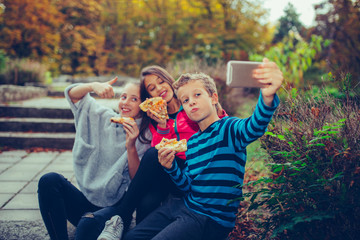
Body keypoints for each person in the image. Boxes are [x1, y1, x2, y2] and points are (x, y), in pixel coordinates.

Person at [123, 58, 283, 240]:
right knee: (131, 237)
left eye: (197, 95)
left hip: (209, 218)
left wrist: (267, 97)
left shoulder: (229, 128)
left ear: (213, 97)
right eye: (185, 100)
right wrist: (171, 168)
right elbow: (187, 184)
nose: (191, 102)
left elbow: (255, 126)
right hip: (184, 205)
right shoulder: (192, 143)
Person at [94, 66, 228, 240]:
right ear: (150, 97)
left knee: (151, 159)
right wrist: (163, 126)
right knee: (147, 199)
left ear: (169, 81)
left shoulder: (191, 105)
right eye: (152, 88)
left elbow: (218, 127)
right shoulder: (155, 119)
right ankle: (125, 226)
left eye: (161, 82)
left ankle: (121, 216)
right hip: (172, 173)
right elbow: (160, 154)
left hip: (196, 171)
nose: (159, 88)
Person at [37, 77, 152, 240]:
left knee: (87, 225)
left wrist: (131, 145)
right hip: (85, 202)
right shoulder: (103, 117)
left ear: (144, 105)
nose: (125, 102)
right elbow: (73, 95)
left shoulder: (146, 134)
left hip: (116, 212)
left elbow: (137, 181)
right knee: (48, 180)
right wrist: (92, 86)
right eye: (123, 96)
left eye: (134, 99)